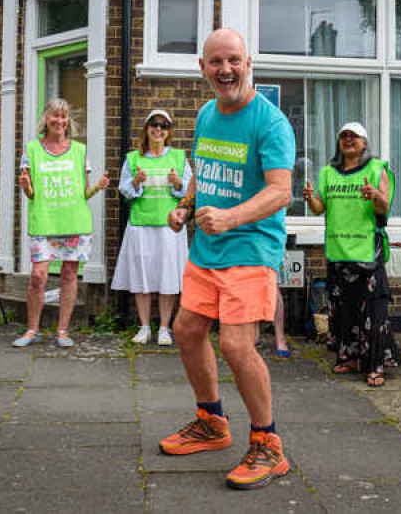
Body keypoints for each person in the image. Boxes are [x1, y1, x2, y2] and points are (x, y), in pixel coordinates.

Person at [159, 28, 294, 491]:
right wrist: (185, 206)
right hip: (207, 248)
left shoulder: (270, 123)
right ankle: (212, 422)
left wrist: (231, 218)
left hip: (251, 248)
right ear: (203, 68)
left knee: (237, 345)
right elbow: (201, 169)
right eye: (216, 62)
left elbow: (281, 191)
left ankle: (268, 445)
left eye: (233, 60)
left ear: (248, 61)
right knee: (187, 330)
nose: (225, 70)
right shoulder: (204, 115)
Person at [302, 122, 399, 387]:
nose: (348, 140)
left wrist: (375, 195)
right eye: (343, 136)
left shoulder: (376, 168)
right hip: (337, 251)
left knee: (372, 311)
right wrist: (310, 198)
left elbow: (385, 206)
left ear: (364, 143)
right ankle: (351, 358)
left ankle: (375, 365)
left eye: (354, 136)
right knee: (344, 310)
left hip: (366, 250)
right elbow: (320, 209)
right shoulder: (327, 172)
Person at [15, 98, 110, 348]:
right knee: (38, 276)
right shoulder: (32, 149)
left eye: (64, 116)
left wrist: (97, 187)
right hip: (44, 222)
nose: (59, 121)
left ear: (68, 121)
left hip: (75, 222)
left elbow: (84, 193)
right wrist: (26, 187)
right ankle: (32, 329)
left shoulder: (79, 150)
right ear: (45, 119)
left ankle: (63, 331)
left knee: (69, 275)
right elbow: (32, 194)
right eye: (54, 116)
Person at [111, 109, 191, 346]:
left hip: (170, 227)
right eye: (153, 125)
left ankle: (164, 327)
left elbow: (190, 191)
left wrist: (179, 183)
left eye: (163, 126)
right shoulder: (134, 158)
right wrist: (135, 182)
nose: (158, 129)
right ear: (146, 129)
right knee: (142, 277)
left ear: (169, 132)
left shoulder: (178, 157)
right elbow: (124, 190)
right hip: (141, 225)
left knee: (168, 278)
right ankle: (144, 326)